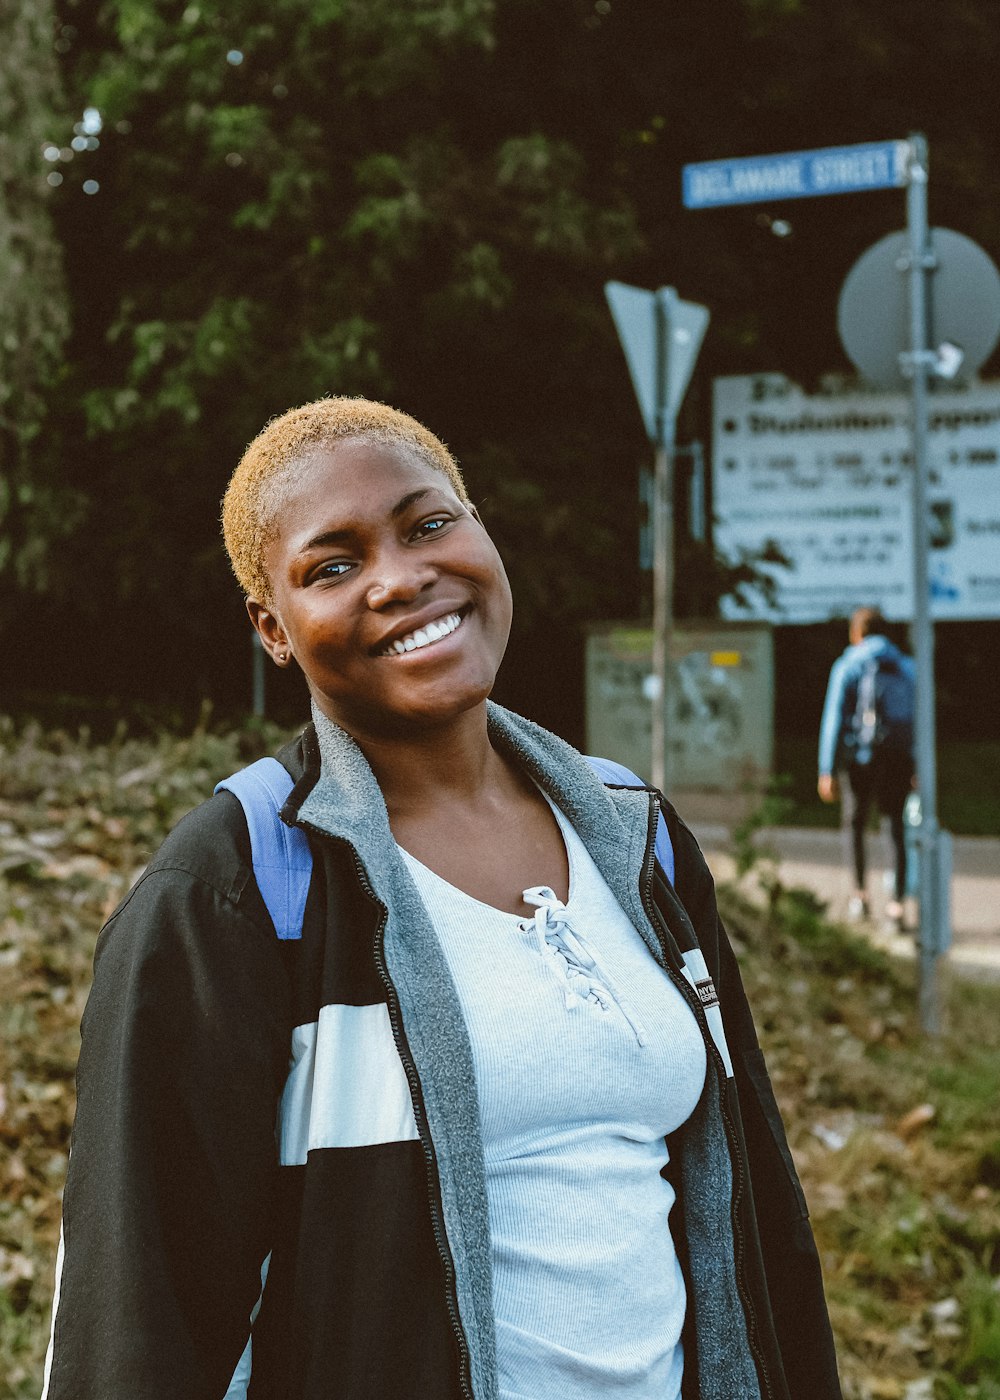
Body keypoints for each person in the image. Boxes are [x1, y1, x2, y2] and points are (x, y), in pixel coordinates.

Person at [43, 397, 841, 1400]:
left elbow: (759, 1219)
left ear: (480, 527)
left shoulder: (637, 838)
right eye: (332, 566)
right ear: (271, 627)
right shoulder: (234, 889)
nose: (400, 577)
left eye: (428, 524)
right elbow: (136, 1310)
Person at [818, 607, 916, 926]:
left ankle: (860, 897)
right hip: (899, 758)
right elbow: (918, 720)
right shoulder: (906, 667)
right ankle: (897, 906)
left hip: (859, 757)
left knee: (856, 824)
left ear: (856, 633)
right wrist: (916, 763)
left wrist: (826, 769)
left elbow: (833, 720)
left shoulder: (848, 665)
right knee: (895, 826)